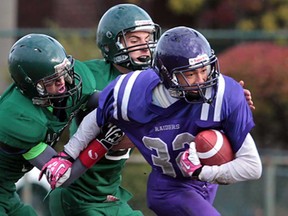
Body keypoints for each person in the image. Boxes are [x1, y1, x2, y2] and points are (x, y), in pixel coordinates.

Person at [41, 26, 262, 216]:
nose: (202, 81)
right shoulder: (131, 92)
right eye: (191, 74)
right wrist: (68, 154)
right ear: (167, 75)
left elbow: (253, 167)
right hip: (170, 186)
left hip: (205, 179)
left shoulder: (225, 94)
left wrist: (203, 173)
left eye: (205, 70)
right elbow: (95, 118)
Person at [46, 4, 160, 216]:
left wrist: (234, 103)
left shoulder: (154, 80)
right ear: (111, 45)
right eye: (135, 41)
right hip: (76, 194)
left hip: (108, 195)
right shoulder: (88, 74)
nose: (145, 47)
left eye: (148, 39)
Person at [0, 33, 123, 216]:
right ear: (33, 86)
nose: (62, 82)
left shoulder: (67, 84)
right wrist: (103, 143)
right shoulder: (19, 119)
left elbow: (96, 100)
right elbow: (62, 177)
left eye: (64, 72)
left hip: (6, 192)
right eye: (52, 80)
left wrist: (123, 104)